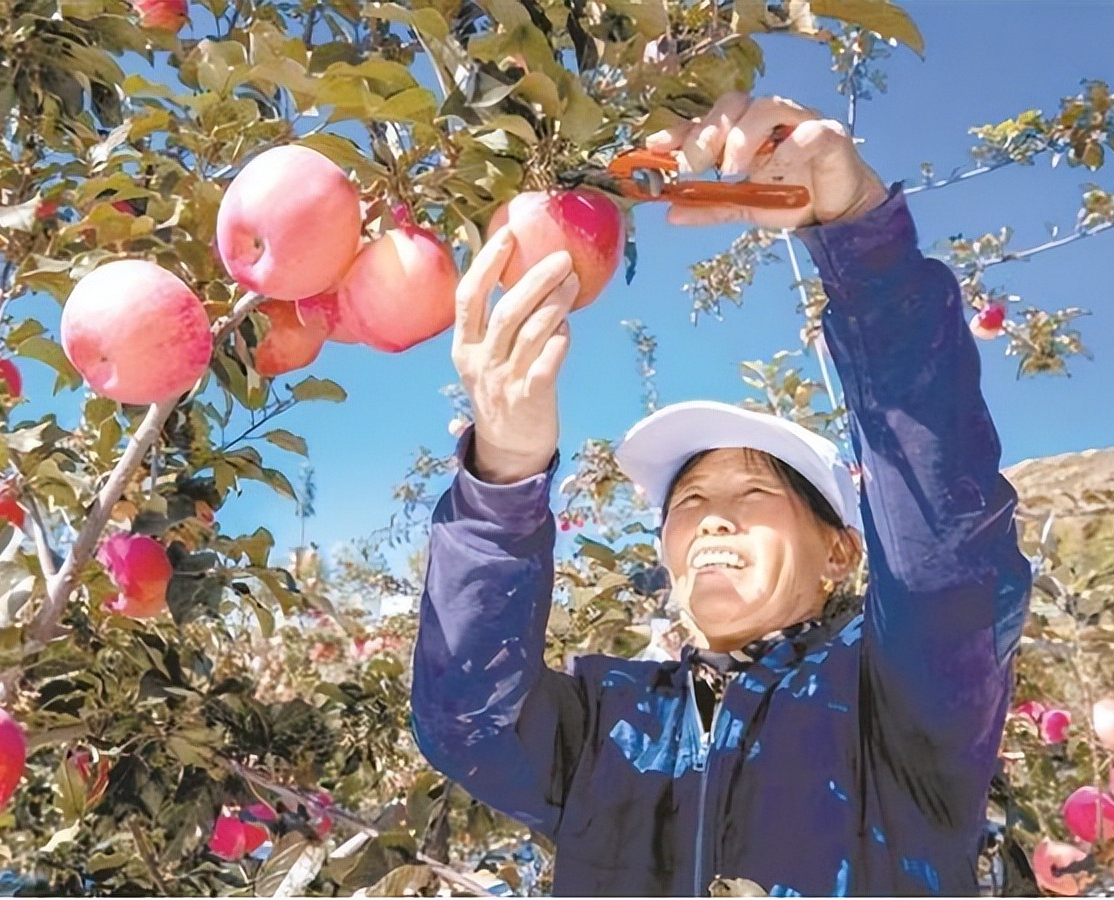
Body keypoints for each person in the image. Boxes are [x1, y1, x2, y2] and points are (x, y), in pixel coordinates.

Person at [410, 92, 1033, 896]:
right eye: (690, 501)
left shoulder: (897, 707)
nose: (714, 518)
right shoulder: (608, 722)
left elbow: (944, 550)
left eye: (755, 490)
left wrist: (860, 238)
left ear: (840, 549)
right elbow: (466, 720)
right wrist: (505, 471)